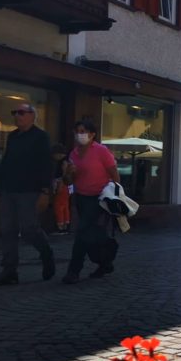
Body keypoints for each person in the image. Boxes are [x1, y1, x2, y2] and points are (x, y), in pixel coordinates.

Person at [0, 103, 55, 286]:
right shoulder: (13, 137)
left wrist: (45, 191)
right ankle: (9, 269)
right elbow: (6, 164)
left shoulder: (40, 137)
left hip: (30, 190)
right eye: (15, 112)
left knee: (29, 228)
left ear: (33, 116)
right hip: (9, 189)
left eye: (22, 112)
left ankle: (46, 252)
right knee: (7, 229)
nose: (17, 116)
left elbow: (46, 165)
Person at [62, 119, 120, 284]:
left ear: (92, 134)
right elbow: (68, 181)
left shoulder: (101, 151)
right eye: (77, 131)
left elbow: (114, 173)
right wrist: (69, 173)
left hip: (100, 198)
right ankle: (105, 262)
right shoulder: (73, 154)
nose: (79, 135)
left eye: (83, 131)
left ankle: (74, 270)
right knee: (93, 235)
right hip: (81, 197)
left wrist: (116, 194)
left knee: (82, 233)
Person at [51, 143, 71, 234]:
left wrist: (60, 184)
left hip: (61, 184)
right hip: (67, 186)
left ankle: (60, 226)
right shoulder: (68, 161)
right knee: (65, 206)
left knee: (58, 206)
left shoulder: (62, 163)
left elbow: (62, 175)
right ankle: (66, 225)